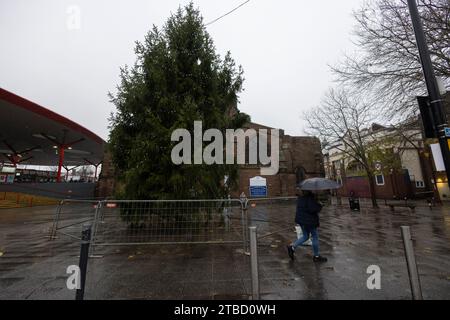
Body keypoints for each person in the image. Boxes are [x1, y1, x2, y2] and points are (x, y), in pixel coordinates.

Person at [287, 190, 327, 262]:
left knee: (305, 236)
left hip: (301, 221)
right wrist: (320, 205)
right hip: (310, 221)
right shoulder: (310, 199)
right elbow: (313, 209)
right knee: (315, 236)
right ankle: (316, 256)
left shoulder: (300, 198)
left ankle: (292, 246)